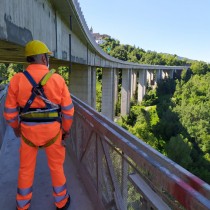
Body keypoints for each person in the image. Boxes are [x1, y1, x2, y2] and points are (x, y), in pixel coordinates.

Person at [3, 40, 74, 210]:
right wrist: (65, 130)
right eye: (47, 57)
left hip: (28, 133)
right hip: (53, 133)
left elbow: (10, 112)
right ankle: (61, 202)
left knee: (26, 169)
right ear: (43, 58)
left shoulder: (17, 80)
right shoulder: (57, 79)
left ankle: (22, 205)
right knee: (56, 167)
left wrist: (16, 128)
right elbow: (68, 111)